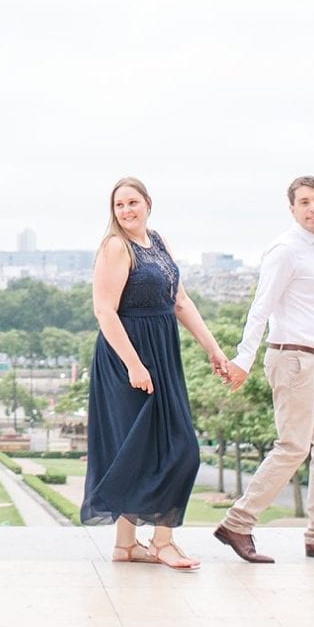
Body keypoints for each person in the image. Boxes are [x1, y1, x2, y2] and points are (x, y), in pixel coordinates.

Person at [214, 175, 314, 563]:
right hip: (293, 360)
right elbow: (261, 307)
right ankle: (239, 522)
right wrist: (243, 360)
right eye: (304, 202)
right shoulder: (285, 250)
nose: (313, 208)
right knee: (293, 447)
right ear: (292, 209)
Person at [82, 176, 233, 570]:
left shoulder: (158, 242)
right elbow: (104, 310)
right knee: (175, 448)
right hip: (127, 356)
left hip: (161, 352)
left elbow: (180, 301)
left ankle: (126, 545)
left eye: (133, 202)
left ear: (148, 203)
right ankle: (162, 543)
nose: (127, 210)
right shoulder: (116, 246)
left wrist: (213, 349)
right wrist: (134, 364)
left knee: (149, 449)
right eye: (119, 205)